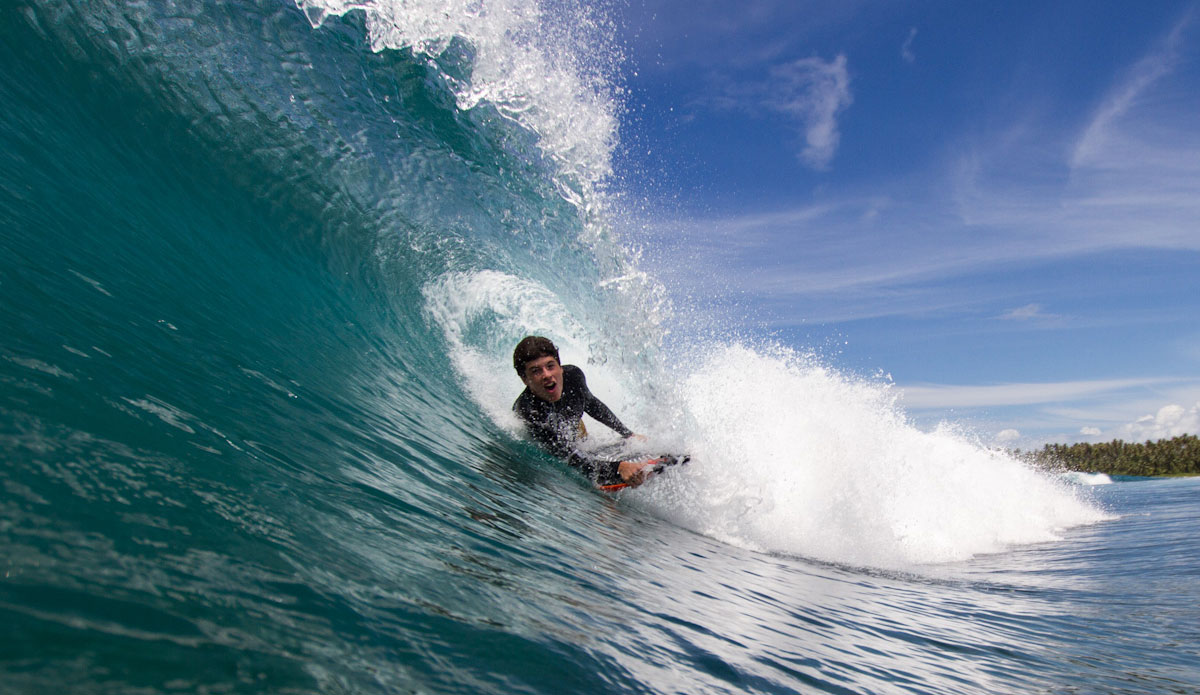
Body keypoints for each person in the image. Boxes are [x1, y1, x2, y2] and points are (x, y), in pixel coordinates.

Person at [512, 336, 656, 487]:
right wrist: (619, 467)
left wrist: (628, 434)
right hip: (553, 451)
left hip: (575, 432)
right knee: (582, 455)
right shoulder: (528, 412)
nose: (547, 375)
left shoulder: (573, 376)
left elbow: (592, 405)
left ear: (560, 367)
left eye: (550, 366)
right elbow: (566, 457)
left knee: (590, 444)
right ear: (525, 379)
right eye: (536, 371)